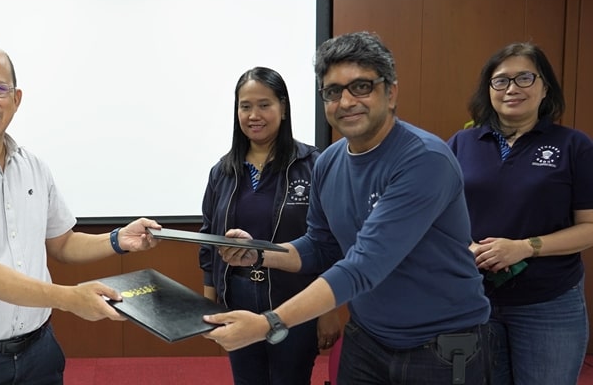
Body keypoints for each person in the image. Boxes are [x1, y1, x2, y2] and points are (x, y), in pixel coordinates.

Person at [202, 31, 492, 385]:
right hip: (368, 338)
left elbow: (363, 266)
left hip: (438, 346)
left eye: (361, 87)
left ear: (391, 92)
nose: (346, 101)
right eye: (333, 91)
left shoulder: (423, 160)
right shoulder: (330, 162)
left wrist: (269, 323)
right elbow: (320, 246)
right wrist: (259, 255)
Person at [0, 42, 162, 384]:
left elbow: (63, 243)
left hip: (39, 353)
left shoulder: (33, 167)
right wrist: (70, 298)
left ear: (16, 98)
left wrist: (116, 240)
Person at [447, 42, 593, 385]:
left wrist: (526, 247)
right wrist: (462, 247)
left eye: (525, 77)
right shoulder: (460, 143)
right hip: (475, 298)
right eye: (501, 81)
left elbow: (589, 227)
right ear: (489, 90)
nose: (512, 88)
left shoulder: (573, 145)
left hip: (549, 303)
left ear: (545, 87)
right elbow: (438, 216)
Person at [198, 66, 341, 385]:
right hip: (238, 296)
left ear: (283, 107)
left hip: (297, 298)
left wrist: (330, 308)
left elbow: (331, 242)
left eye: (264, 104)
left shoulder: (313, 164)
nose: (253, 115)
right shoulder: (222, 172)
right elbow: (209, 242)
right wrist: (209, 304)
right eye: (245, 106)